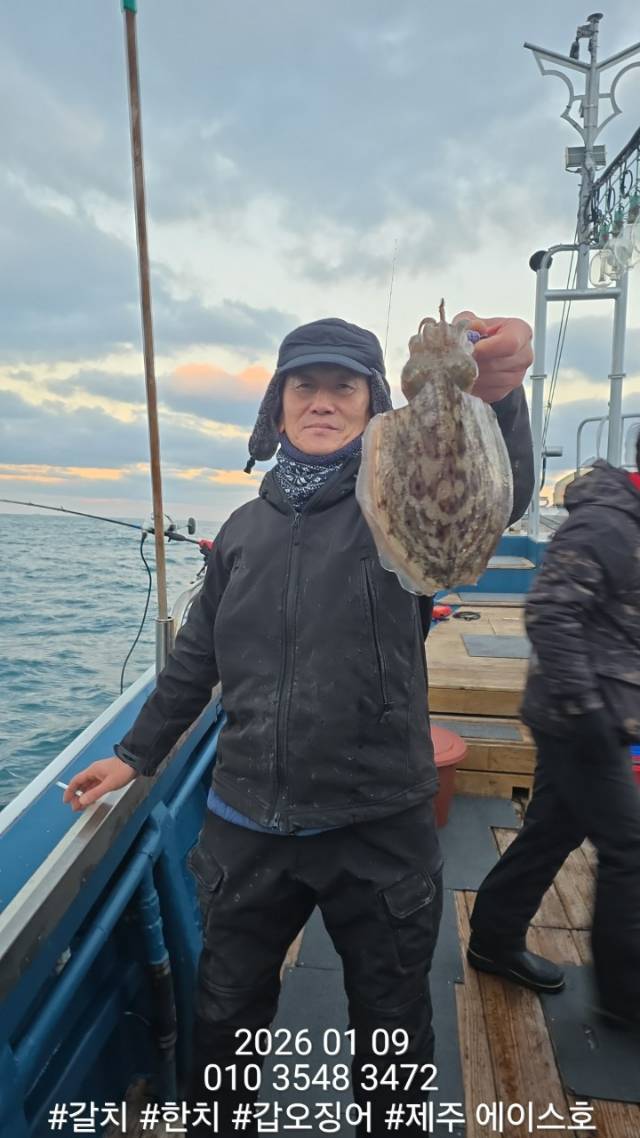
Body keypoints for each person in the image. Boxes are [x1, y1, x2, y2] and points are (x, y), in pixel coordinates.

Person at [65, 310, 534, 1135]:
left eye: (343, 387)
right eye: (303, 386)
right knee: (225, 1023)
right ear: (276, 408)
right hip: (248, 825)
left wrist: (498, 398)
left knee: (392, 1033)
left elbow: (497, 493)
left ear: (374, 404)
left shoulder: (394, 509)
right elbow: (196, 659)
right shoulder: (241, 533)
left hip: (378, 826)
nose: (321, 401)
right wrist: (133, 755)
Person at [468, 440, 640, 1031]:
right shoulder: (606, 525)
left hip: (597, 714)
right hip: (582, 720)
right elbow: (549, 612)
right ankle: (626, 999)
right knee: (630, 850)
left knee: (551, 832)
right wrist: (590, 711)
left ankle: (492, 938)